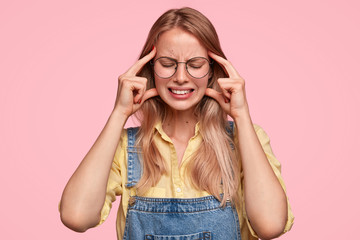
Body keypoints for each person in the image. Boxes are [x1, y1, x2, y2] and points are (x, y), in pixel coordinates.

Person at [59, 7, 294, 240]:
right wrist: (119, 112)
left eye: (195, 64)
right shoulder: (125, 147)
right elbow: (76, 216)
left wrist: (241, 115)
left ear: (213, 71)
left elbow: (270, 225)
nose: (181, 77)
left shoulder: (244, 139)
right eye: (168, 63)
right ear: (149, 67)